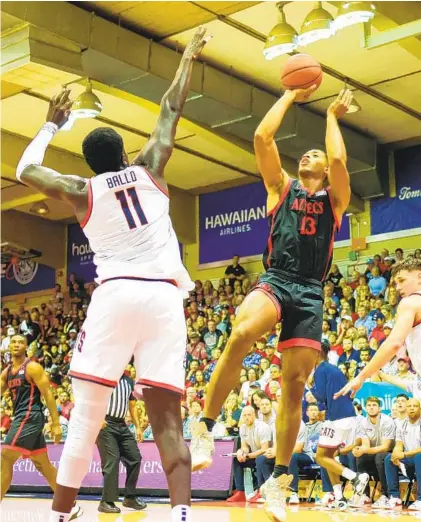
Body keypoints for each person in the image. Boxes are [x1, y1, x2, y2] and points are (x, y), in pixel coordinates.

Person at [15, 27, 211, 522]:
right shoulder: (151, 169)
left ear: (90, 164)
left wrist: (49, 125)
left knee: (86, 416)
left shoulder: (81, 189)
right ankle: (183, 512)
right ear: (126, 155)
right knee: (168, 420)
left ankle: (61, 513)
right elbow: (171, 110)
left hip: (116, 295)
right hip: (165, 300)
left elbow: (25, 170)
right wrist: (187, 56)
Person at [190, 87, 354, 520]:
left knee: (295, 385)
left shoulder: (334, 200)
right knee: (242, 331)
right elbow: (263, 138)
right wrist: (288, 93)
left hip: (310, 292)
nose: (308, 157)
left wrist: (333, 117)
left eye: (313, 154)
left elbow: (339, 161)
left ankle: (279, 479)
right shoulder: (279, 187)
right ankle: (204, 427)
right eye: (304, 154)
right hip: (277, 279)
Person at [0, 335, 81, 519]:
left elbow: (48, 394)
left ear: (26, 346)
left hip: (30, 416)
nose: (16, 345)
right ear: (8, 346)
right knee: (43, 465)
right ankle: (71, 504)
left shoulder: (32, 367)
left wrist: (55, 423)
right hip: (22, 417)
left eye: (20, 342)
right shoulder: (7, 372)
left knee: (5, 456)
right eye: (13, 342)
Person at [336, 259, 421, 404]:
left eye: (402, 280)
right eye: (395, 283)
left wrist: (361, 376)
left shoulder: (410, 302)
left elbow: (394, 343)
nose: (397, 287)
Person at [313, 342, 369, 510]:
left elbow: (321, 395)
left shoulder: (321, 370)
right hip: (344, 417)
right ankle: (339, 497)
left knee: (320, 457)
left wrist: (309, 389)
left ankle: (355, 477)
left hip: (337, 418)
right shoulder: (332, 369)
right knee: (329, 457)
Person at [96, 373, 146, 514]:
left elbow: (132, 405)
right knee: (112, 460)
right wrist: (97, 416)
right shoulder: (105, 376)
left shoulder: (129, 381)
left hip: (122, 425)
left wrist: (137, 427)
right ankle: (106, 501)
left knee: (135, 458)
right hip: (105, 423)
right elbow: (93, 398)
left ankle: (129, 497)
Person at [351, 397, 395, 508]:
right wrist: (359, 450)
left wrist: (364, 450)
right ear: (365, 408)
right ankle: (364, 494)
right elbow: (366, 445)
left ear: (380, 408)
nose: (371, 407)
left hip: (389, 452)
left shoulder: (387, 421)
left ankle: (385, 495)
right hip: (373, 450)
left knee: (380, 457)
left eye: (374, 405)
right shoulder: (363, 423)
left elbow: (386, 447)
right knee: (360, 457)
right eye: (369, 405)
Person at [228, 406, 272, 503]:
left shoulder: (262, 427)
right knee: (236, 459)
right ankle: (240, 492)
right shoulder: (243, 427)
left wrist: (248, 456)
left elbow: (265, 449)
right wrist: (241, 452)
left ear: (254, 415)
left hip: (267, 456)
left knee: (260, 459)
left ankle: (262, 491)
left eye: (249, 415)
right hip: (254, 455)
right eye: (244, 415)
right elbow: (245, 446)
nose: (247, 417)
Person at [384, 398, 421, 510]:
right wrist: (396, 454)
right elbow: (399, 444)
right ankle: (394, 497)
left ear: (420, 409)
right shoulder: (402, 424)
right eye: (409, 406)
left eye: (415, 406)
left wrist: (403, 455)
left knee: (419, 457)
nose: (411, 408)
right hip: (409, 458)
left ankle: (420, 499)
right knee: (388, 458)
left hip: (418, 457)